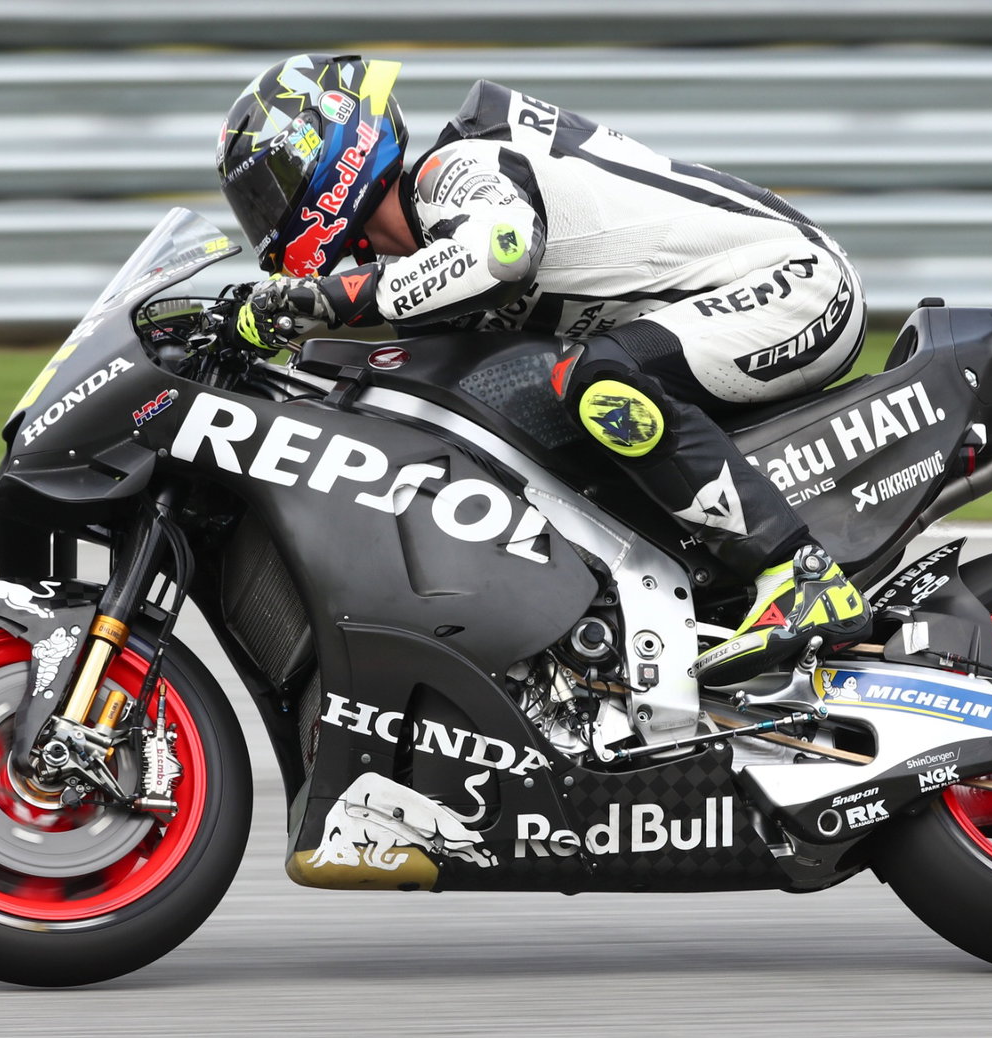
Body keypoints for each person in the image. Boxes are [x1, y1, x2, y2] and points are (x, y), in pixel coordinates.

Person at [216, 53, 871, 686]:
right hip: (709, 320)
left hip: (794, 284)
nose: (265, 218)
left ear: (330, 156)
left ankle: (801, 575)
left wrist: (325, 300)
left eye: (266, 190)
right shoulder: (426, 272)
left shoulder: (458, 169)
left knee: (599, 383)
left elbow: (500, 255)